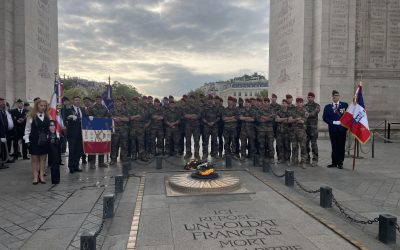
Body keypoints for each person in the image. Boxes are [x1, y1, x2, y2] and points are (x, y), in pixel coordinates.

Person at [24, 99, 51, 184]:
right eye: (41, 105)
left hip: (44, 141)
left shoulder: (48, 117)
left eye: (44, 106)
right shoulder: (31, 116)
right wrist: (27, 140)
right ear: (37, 106)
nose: (43, 107)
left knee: (43, 159)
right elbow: (27, 130)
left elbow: (50, 129)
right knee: (34, 159)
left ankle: (41, 176)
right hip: (34, 140)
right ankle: (35, 177)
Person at [323, 90, 348, 169]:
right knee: (334, 146)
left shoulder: (344, 105)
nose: (335, 97)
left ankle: (340, 163)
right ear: (332, 97)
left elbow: (349, 115)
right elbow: (325, 118)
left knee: (341, 146)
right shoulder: (328, 107)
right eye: (334, 95)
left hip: (342, 130)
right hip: (333, 129)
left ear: (339, 96)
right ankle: (334, 162)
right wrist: (333, 122)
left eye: (336, 95)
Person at [86, 95, 110, 168]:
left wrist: (105, 118)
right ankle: (92, 163)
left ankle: (101, 162)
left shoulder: (104, 108)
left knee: (101, 145)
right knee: (93, 145)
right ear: (95, 100)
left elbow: (108, 116)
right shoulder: (91, 108)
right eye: (97, 99)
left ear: (101, 100)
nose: (98, 100)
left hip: (102, 129)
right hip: (93, 129)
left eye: (99, 99)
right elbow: (87, 117)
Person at [64, 96, 84, 173]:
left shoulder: (82, 109)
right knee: (72, 150)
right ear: (73, 101)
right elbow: (65, 118)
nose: (77, 101)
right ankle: (71, 166)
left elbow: (84, 119)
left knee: (79, 151)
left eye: (79, 100)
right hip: (72, 133)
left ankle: (76, 165)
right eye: (76, 100)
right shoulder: (69, 110)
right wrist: (70, 117)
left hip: (81, 134)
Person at [288, 98, 308, 169]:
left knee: (303, 147)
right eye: (298, 102)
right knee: (294, 147)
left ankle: (303, 162)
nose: (299, 103)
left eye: (301, 102)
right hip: (293, 131)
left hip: (301, 131)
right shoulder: (292, 110)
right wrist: (296, 119)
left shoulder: (305, 111)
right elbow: (289, 120)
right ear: (296, 103)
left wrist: (295, 120)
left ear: (302, 103)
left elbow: (303, 121)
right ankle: (294, 161)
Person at [110, 97, 130, 164]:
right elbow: (109, 118)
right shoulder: (112, 110)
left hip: (123, 130)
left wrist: (119, 118)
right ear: (115, 103)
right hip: (115, 130)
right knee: (114, 145)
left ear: (122, 103)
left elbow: (127, 119)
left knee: (124, 145)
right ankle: (113, 159)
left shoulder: (125, 110)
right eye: (117, 102)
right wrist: (115, 118)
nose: (118, 103)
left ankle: (123, 158)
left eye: (120, 102)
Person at [182, 95, 201, 159]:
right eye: (190, 99)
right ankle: (188, 153)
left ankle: (196, 153)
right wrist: (193, 115)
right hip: (188, 126)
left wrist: (190, 115)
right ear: (189, 100)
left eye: (192, 99)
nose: (191, 100)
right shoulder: (185, 107)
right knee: (188, 140)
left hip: (196, 126)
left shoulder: (197, 107)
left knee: (196, 140)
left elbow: (198, 116)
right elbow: (185, 115)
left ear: (194, 100)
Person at [305, 92, 320, 167]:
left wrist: (308, 114)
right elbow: (303, 114)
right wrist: (307, 114)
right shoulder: (305, 106)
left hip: (313, 129)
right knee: (306, 144)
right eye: (308, 97)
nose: (309, 98)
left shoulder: (317, 105)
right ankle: (307, 159)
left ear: (314, 97)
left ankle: (315, 160)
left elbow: (314, 113)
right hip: (306, 128)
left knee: (314, 145)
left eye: (311, 97)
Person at [201, 95, 220, 160]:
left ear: (213, 100)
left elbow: (218, 117)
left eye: (211, 99)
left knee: (215, 141)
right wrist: (207, 122)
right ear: (208, 100)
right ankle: (205, 154)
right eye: (209, 99)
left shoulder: (216, 108)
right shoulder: (205, 108)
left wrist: (213, 122)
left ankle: (215, 154)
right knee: (205, 141)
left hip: (214, 127)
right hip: (206, 127)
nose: (210, 100)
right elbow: (202, 118)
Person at [275, 99, 291, 164]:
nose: (283, 104)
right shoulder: (278, 112)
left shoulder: (290, 112)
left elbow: (290, 120)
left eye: (285, 103)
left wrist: (281, 119)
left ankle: (287, 159)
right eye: (282, 103)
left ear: (287, 104)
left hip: (287, 132)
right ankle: (281, 158)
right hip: (279, 132)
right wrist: (286, 119)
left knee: (287, 146)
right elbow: (276, 120)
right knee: (280, 146)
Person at [48, 120, 60, 184]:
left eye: (53, 125)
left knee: (56, 162)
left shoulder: (57, 134)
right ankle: (54, 179)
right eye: (50, 125)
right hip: (49, 149)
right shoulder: (47, 134)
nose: (52, 127)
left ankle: (56, 178)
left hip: (55, 149)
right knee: (53, 162)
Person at [0, 97, 9, 169]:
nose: (4, 104)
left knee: (2, 149)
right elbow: (1, 124)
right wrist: (2, 135)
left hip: (3, 133)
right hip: (1, 134)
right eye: (2, 102)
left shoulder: (2, 111)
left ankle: (2, 163)